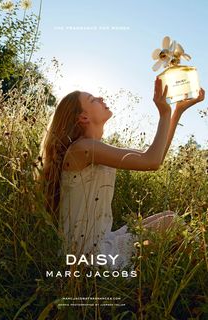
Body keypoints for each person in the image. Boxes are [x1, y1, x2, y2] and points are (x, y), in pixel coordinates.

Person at [36, 78, 205, 271]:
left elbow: (154, 157)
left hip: (98, 242)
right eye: (93, 100)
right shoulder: (83, 148)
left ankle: (187, 266)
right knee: (172, 221)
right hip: (87, 256)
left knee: (169, 216)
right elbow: (152, 162)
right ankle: (195, 269)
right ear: (83, 117)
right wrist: (164, 113)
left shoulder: (92, 148)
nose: (100, 97)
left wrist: (177, 112)